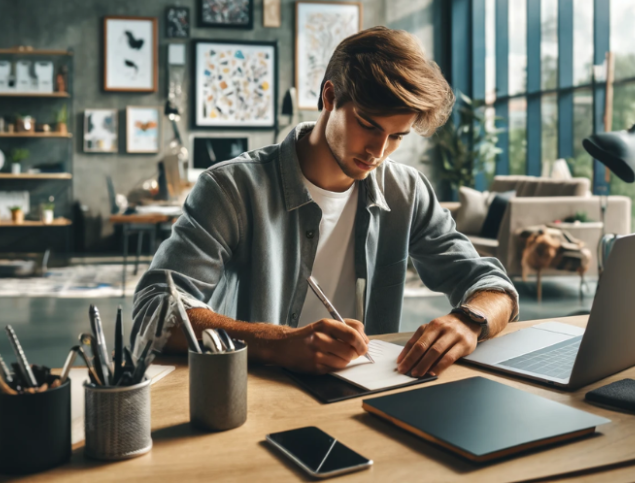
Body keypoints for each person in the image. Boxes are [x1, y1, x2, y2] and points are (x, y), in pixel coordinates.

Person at [131, 26, 518, 378]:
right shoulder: (231, 188)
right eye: (368, 125)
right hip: (252, 393)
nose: (379, 151)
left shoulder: (407, 191)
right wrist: (278, 343)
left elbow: (492, 285)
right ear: (329, 97)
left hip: (365, 394)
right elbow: (153, 311)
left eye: (397, 136)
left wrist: (468, 320)